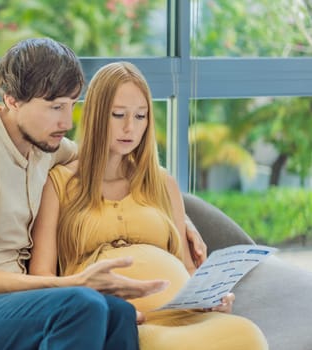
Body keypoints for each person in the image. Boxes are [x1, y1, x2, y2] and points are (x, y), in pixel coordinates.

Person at [0, 38, 175, 350]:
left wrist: (180, 221)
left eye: (71, 105)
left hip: (7, 308)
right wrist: (72, 284)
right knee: (81, 305)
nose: (66, 122)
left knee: (119, 313)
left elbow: (99, 158)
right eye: (55, 107)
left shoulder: (45, 145)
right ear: (13, 100)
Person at [29, 62, 269, 349]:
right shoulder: (60, 184)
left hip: (186, 313)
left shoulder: (163, 183)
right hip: (124, 321)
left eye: (140, 116)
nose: (130, 127)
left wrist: (213, 298)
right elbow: (41, 276)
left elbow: (187, 267)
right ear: (95, 115)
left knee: (248, 335)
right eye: (118, 115)